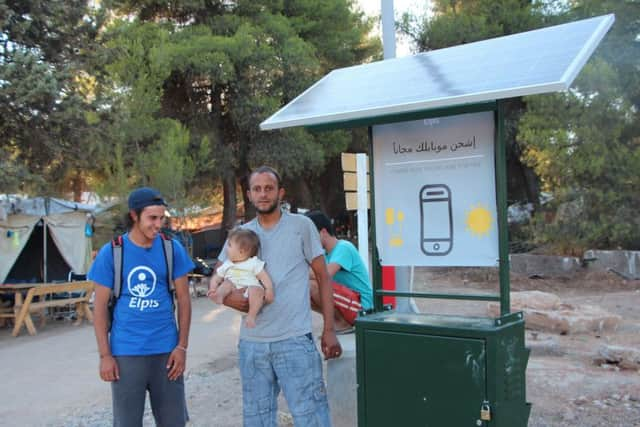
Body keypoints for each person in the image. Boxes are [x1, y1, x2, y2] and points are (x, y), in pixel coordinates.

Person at [209, 165, 341, 427]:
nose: (263, 194)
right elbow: (220, 276)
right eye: (257, 189)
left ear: (281, 192)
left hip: (294, 341)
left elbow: (323, 278)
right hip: (252, 346)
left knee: (312, 417)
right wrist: (233, 299)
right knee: (257, 420)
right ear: (249, 195)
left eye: (269, 188)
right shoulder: (240, 234)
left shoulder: (301, 226)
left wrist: (329, 329)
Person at [89, 187, 194, 427]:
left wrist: (182, 347)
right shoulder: (112, 253)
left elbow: (184, 301)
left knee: (173, 422)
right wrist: (105, 356)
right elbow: (99, 310)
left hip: (167, 352)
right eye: (152, 218)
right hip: (126, 353)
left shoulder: (171, 248)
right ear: (134, 216)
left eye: (161, 218)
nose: (158, 224)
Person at [305, 210, 373, 333]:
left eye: (310, 236)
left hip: (363, 309)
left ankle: (342, 323)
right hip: (350, 303)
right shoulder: (324, 255)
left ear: (323, 232)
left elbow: (324, 275)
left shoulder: (344, 247)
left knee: (312, 286)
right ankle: (338, 320)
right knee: (303, 287)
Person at [207, 227, 274, 328]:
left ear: (241, 251)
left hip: (250, 291)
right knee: (227, 283)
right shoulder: (227, 264)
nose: (226, 248)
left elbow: (264, 278)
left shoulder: (253, 263)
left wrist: (269, 290)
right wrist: (213, 289)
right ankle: (219, 296)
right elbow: (216, 278)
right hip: (233, 290)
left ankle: (251, 315)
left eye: (229, 245)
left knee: (257, 290)